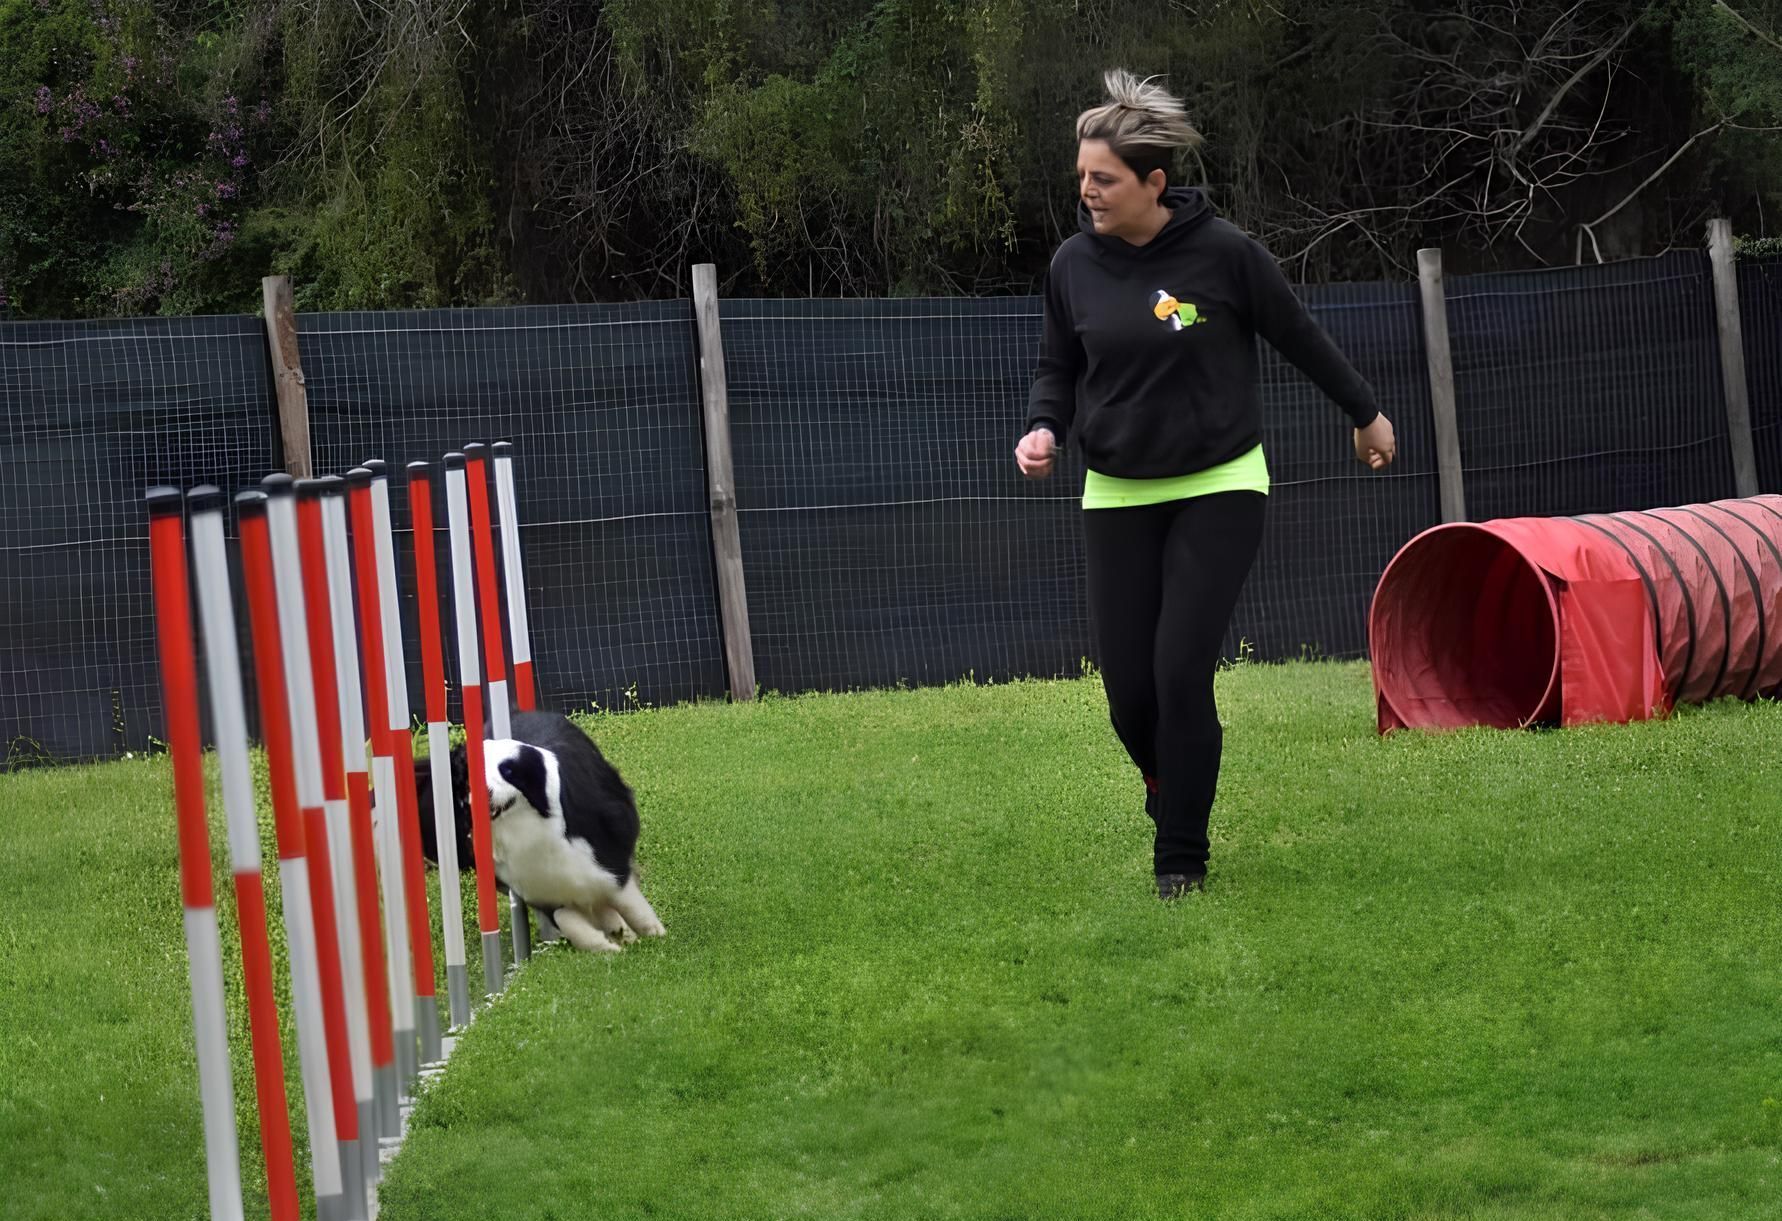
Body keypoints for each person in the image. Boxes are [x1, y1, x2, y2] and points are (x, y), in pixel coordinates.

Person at [1017, 69, 1396, 900]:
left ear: (1154, 182)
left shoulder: (1226, 256)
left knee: (1181, 669)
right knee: (1128, 696)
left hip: (1221, 481)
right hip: (1117, 488)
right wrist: (1044, 427)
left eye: (1104, 179)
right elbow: (1057, 365)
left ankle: (1179, 857)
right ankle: (1172, 783)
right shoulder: (1072, 265)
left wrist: (1365, 413)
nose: (1087, 193)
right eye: (1082, 177)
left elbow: (1297, 334)